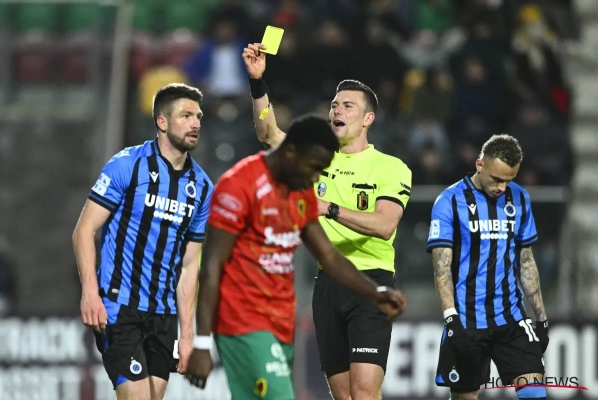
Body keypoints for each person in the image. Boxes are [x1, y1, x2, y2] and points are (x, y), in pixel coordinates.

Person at [183, 115, 407, 400]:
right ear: (290, 152)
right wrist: (202, 342)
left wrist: (375, 293)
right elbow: (211, 266)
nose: (315, 177)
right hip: (243, 321)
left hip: (280, 321)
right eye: (313, 168)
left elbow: (329, 256)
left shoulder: (300, 192)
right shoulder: (239, 185)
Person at [241, 43, 413, 399]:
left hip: (370, 281)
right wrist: (258, 83)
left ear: (368, 119)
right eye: (335, 104)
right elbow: (267, 133)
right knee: (343, 395)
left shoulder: (390, 167)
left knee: (364, 392)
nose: (337, 110)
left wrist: (329, 208)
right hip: (328, 284)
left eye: (348, 106)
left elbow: (385, 225)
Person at [72, 83, 213, 400]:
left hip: (164, 315)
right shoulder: (128, 165)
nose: (195, 123)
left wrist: (187, 335)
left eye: (198, 116)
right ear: (162, 122)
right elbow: (83, 231)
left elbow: (190, 264)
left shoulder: (202, 187)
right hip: (120, 308)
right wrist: (90, 293)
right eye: (186, 116)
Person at [427, 134, 549, 400]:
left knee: (535, 393)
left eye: (508, 180)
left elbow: (526, 260)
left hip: (511, 317)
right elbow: (441, 267)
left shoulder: (520, 198)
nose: (502, 187)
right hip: (467, 321)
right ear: (479, 164)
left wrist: (541, 318)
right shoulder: (449, 201)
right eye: (496, 179)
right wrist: (450, 318)